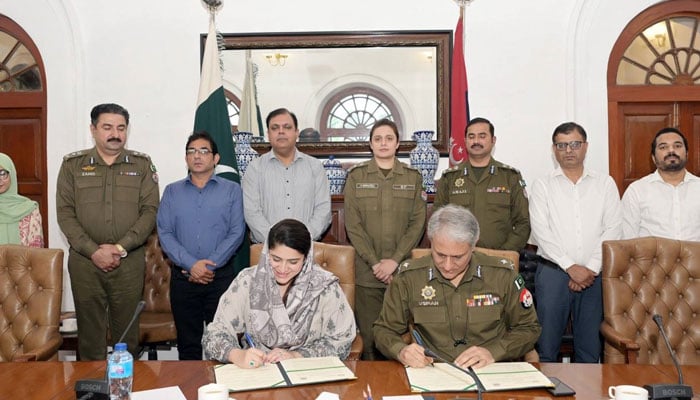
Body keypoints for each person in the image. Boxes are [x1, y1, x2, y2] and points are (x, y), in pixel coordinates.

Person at [373, 204, 540, 369]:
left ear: (473, 246)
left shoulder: (502, 275)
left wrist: (493, 352)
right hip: (433, 371)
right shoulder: (408, 277)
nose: (447, 265)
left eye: (458, 257)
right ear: (431, 242)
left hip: (490, 370)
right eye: (440, 255)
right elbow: (383, 330)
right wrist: (401, 351)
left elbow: (529, 329)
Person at [56, 103, 160, 360]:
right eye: (107, 127)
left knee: (128, 337)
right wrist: (94, 251)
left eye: (121, 128)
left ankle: (127, 391)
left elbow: (150, 212)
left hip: (128, 262)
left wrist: (119, 248)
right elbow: (65, 214)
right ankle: (93, 393)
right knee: (90, 339)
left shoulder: (142, 165)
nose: (115, 133)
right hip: (84, 263)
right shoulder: (73, 165)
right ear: (93, 129)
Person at [202, 219, 356, 367]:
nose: (282, 269)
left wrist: (297, 356)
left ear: (306, 258)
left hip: (306, 371)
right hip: (258, 369)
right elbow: (215, 334)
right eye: (276, 259)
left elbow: (341, 340)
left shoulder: (325, 287)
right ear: (267, 253)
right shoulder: (248, 281)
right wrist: (237, 355)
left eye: (293, 262)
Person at [528, 122, 621, 363]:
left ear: (585, 146)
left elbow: (613, 228)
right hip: (553, 273)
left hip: (595, 275)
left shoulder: (605, 183)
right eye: (562, 145)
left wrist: (590, 268)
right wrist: (571, 267)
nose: (568, 150)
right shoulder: (542, 184)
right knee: (546, 346)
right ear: (554, 149)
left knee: (590, 349)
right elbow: (541, 231)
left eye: (574, 144)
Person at [157, 131, 246, 360]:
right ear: (186, 158)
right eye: (191, 151)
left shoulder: (232, 190)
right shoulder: (171, 191)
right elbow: (165, 232)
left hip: (220, 280)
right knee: (188, 348)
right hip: (183, 279)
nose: (197, 156)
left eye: (204, 151)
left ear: (215, 158)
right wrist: (191, 265)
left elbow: (237, 232)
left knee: (225, 346)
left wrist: (208, 267)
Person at [343, 119, 426, 360]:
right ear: (370, 144)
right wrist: (375, 263)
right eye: (378, 139)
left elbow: (417, 225)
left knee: (400, 338)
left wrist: (395, 261)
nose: (383, 143)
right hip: (368, 273)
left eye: (389, 138)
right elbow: (353, 226)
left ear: (398, 143)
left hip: (403, 272)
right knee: (369, 339)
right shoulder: (357, 176)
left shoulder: (412, 177)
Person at [434, 117, 530, 251]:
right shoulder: (449, 177)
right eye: (471, 136)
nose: (476, 141)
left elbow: (523, 223)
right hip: (458, 259)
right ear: (465, 141)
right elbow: (438, 221)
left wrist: (504, 254)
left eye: (482, 136)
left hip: (499, 259)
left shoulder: (510, 176)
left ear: (493, 140)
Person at [242, 108, 331, 243]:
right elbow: (251, 212)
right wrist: (276, 242)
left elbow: (323, 210)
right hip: (266, 249)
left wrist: (301, 241)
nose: (281, 131)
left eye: (287, 127)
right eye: (275, 128)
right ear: (268, 134)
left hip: (306, 248)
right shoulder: (255, 168)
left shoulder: (315, 167)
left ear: (296, 133)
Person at [621, 127, 700, 241]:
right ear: (653, 158)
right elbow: (628, 239)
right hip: (651, 258)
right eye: (663, 147)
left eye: (677, 146)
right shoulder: (637, 190)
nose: (671, 151)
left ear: (687, 153)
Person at [0, 153, 44, 247]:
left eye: (2, 173)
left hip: (21, 261)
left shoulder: (29, 210)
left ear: (11, 174)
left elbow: (36, 252)